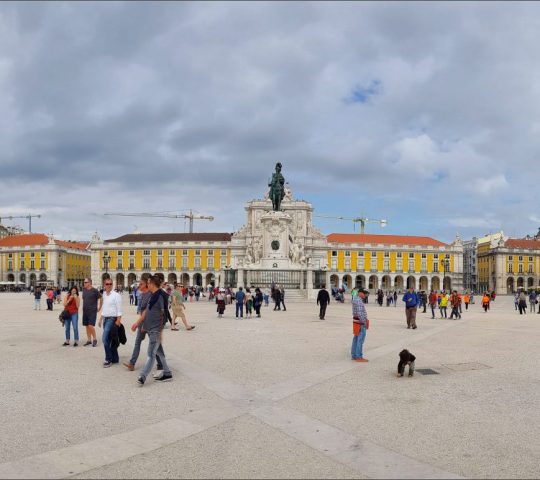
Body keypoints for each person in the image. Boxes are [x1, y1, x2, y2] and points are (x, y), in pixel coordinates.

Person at [132, 275, 173, 386]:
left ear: (153, 284)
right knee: (159, 352)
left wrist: (159, 330)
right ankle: (167, 373)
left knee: (151, 354)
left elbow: (163, 314)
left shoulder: (160, 296)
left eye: (148, 283)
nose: (147, 284)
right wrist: (144, 325)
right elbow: (148, 311)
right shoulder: (153, 295)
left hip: (155, 330)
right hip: (150, 328)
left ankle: (142, 376)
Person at [98, 278, 123, 367]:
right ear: (104, 285)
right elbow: (104, 308)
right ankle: (115, 358)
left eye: (110, 284)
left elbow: (119, 309)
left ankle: (108, 359)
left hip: (112, 319)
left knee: (104, 339)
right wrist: (101, 318)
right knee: (110, 339)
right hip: (105, 319)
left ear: (112, 285)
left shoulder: (116, 295)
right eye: (107, 284)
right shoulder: (104, 294)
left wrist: (118, 320)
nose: (109, 285)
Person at [82, 278, 102, 347]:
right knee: (87, 326)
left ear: (90, 283)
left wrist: (100, 307)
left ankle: (95, 339)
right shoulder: (84, 290)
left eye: (85, 282)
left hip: (92, 311)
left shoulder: (95, 291)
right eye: (84, 282)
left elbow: (101, 297)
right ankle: (89, 340)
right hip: (85, 311)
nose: (84, 283)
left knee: (90, 325)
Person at [351, 291, 369, 362]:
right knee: (360, 340)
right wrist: (364, 322)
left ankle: (354, 355)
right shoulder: (358, 301)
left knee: (356, 339)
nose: (365, 296)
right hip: (360, 323)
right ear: (361, 293)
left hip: (356, 322)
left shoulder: (355, 299)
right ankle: (359, 356)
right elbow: (359, 313)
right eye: (365, 294)